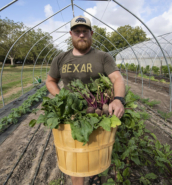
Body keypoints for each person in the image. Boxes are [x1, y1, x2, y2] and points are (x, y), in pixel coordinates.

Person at [46, 15, 125, 185]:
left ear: (91, 33)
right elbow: (50, 81)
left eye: (85, 31)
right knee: (77, 156)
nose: (81, 35)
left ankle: (96, 176)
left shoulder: (103, 57)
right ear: (71, 34)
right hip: (72, 115)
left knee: (96, 153)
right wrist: (63, 99)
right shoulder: (60, 58)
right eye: (77, 32)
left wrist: (118, 99)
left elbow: (117, 79)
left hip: (97, 114)